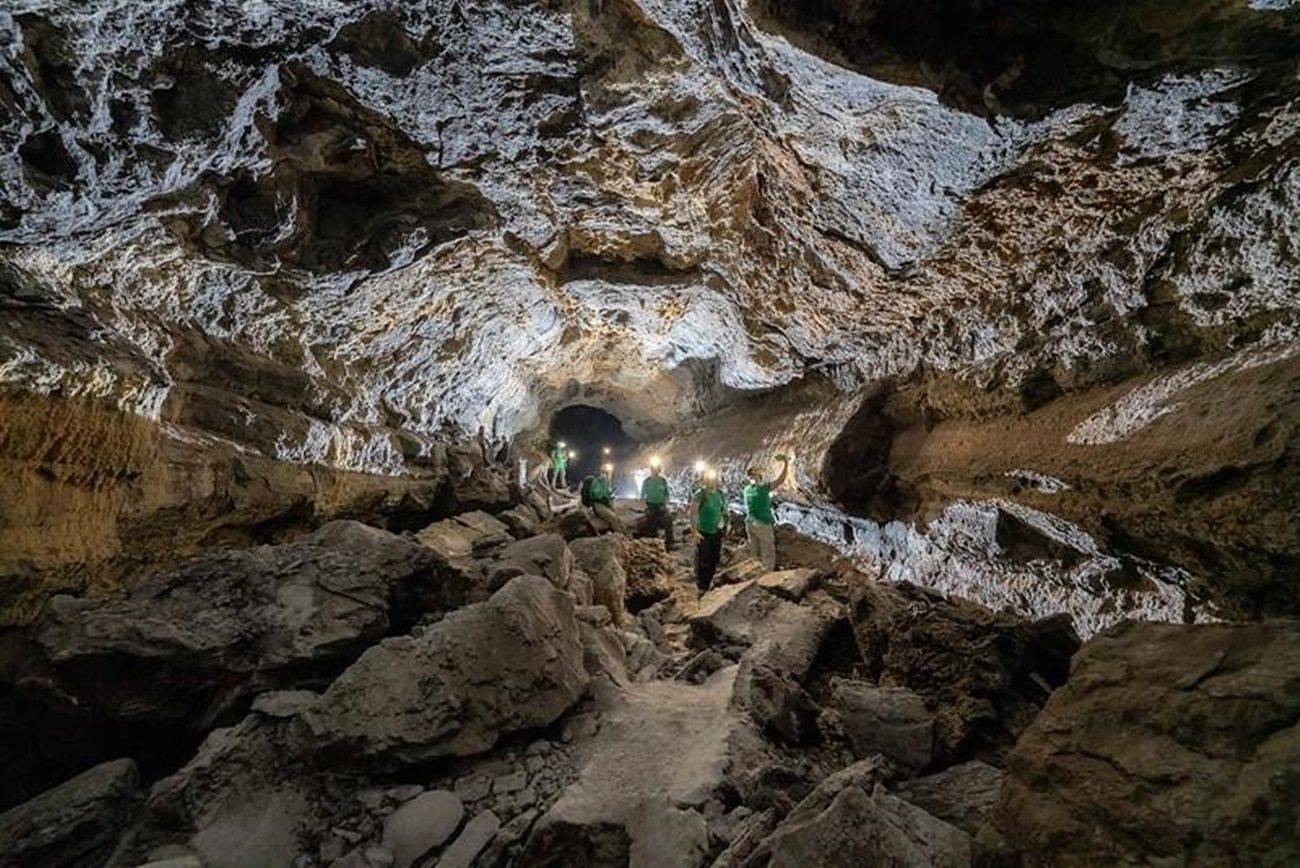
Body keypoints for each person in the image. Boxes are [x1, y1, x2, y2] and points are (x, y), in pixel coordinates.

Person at [744, 454, 789, 571]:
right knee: (767, 551)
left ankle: (753, 574)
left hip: (750, 522)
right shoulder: (762, 488)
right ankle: (767, 576)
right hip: (762, 523)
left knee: (754, 552)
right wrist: (786, 464)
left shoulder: (747, 490)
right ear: (758, 475)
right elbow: (781, 480)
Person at [689, 469, 728, 592]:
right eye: (710, 479)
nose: (712, 481)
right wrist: (694, 531)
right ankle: (702, 586)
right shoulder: (700, 494)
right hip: (703, 531)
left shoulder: (720, 494)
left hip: (717, 531)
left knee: (715, 557)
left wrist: (728, 524)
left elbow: (724, 511)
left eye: (714, 479)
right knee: (704, 558)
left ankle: (709, 582)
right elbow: (693, 512)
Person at [639, 458, 673, 550]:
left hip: (661, 505)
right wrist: (643, 506)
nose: (655, 471)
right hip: (650, 504)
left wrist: (665, 503)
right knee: (651, 519)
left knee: (668, 519)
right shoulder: (647, 481)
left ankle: (669, 542)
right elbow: (642, 495)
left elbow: (667, 493)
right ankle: (653, 541)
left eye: (657, 469)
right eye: (653, 469)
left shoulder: (663, 481)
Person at [585, 464, 625, 533]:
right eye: (605, 473)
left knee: (618, 518)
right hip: (598, 504)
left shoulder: (607, 482)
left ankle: (624, 533)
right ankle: (619, 535)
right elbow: (596, 495)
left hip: (605, 504)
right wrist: (604, 496)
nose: (607, 475)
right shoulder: (596, 482)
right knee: (612, 518)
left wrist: (612, 492)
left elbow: (607, 494)